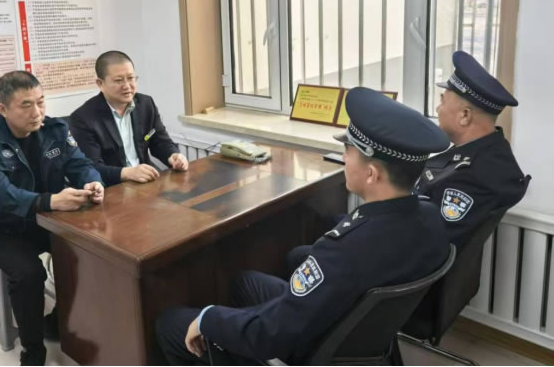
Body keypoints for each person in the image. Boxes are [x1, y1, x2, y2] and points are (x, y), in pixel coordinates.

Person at [155, 87, 451, 365]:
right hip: (356, 334)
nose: (344, 157)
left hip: (317, 345)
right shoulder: (431, 218)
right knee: (244, 282)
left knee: (170, 323)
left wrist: (208, 319)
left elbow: (269, 334)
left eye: (348, 151)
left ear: (372, 174)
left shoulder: (344, 251)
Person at [0, 71, 104, 366]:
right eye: (25, 105)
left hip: (47, 218)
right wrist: (50, 201)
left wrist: (92, 182)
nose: (37, 112)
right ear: (3, 109)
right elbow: (0, 195)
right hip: (1, 227)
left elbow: (80, 164)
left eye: (41, 101)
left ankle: (57, 322)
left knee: (90, 252)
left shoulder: (55, 129)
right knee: (29, 275)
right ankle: (33, 351)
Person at [415, 50, 531, 249]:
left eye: (442, 101)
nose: (437, 109)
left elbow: (425, 243)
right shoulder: (491, 153)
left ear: (465, 116)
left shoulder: (470, 177)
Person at [69, 51, 188, 185]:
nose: (127, 86)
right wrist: (127, 173)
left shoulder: (146, 104)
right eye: (118, 80)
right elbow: (91, 168)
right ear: (100, 84)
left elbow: (160, 141)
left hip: (144, 181)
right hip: (111, 187)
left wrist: (173, 155)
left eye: (131, 78)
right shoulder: (83, 118)